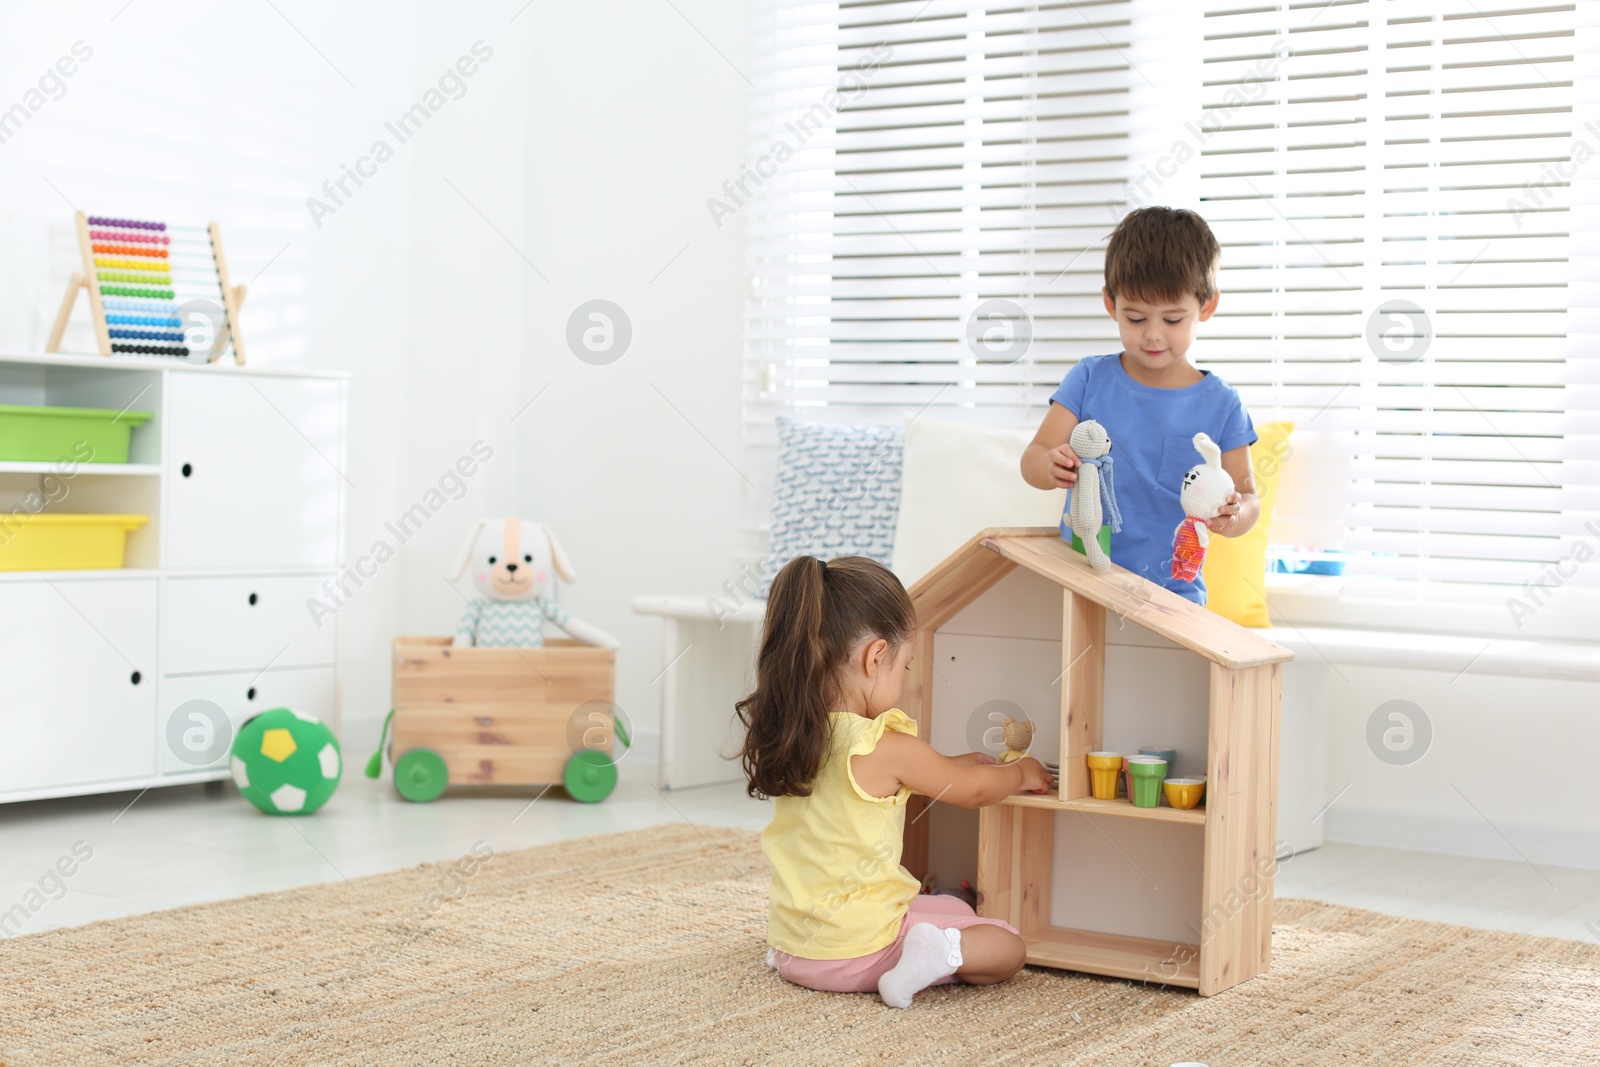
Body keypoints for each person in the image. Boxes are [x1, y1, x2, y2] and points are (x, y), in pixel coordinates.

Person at [736, 554, 1053, 1008]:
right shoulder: (883, 744)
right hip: (858, 951)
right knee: (1007, 945)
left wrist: (959, 761)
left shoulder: (796, 734)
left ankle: (917, 947)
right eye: (905, 666)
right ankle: (927, 959)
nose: (905, 677)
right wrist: (1021, 771)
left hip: (794, 949)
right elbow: (975, 792)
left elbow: (926, 770)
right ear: (876, 657)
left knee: (954, 910)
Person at [1021, 206, 1260, 603]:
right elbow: (1034, 458)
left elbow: (1249, 497)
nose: (1152, 335)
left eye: (1172, 320)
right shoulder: (1089, 378)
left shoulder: (1223, 403)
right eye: (1135, 318)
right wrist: (1050, 466)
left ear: (1207, 306)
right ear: (1111, 305)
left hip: (1174, 594)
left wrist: (1235, 515)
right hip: (1081, 582)